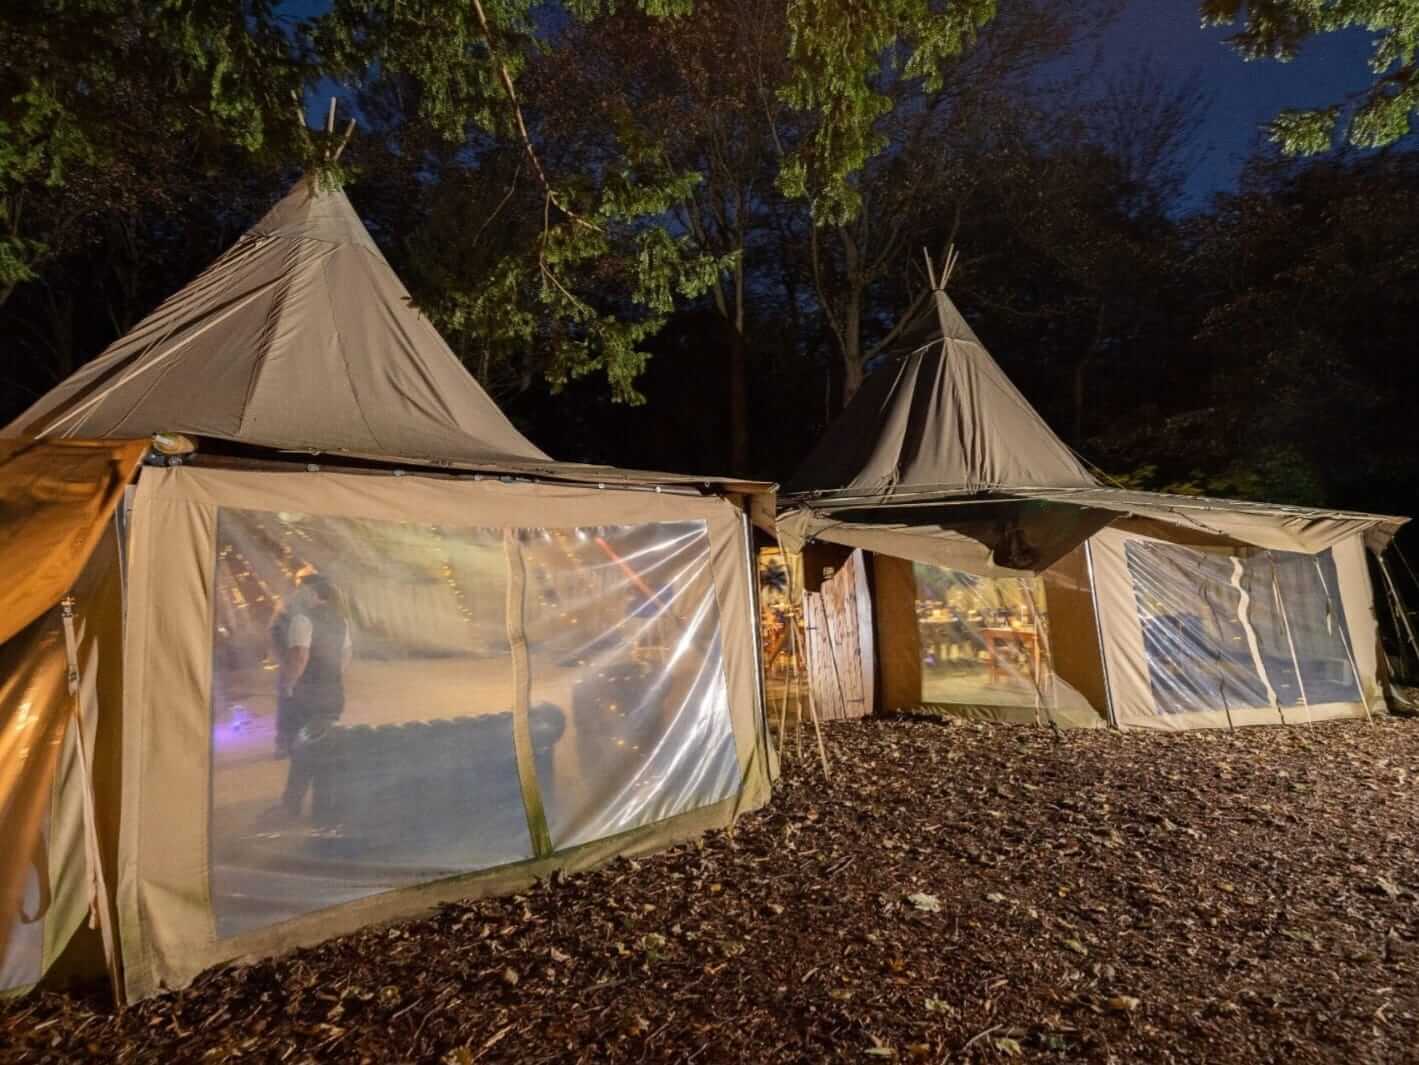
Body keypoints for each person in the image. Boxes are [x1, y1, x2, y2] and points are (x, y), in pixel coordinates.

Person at [279, 573, 352, 817]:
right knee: (322, 747)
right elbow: (345, 656)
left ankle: (292, 805)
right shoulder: (341, 620)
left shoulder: (302, 620)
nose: (296, 594)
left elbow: (300, 656)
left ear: (311, 592)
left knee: (302, 748)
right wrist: (330, 677)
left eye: (300, 589)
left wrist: (289, 684)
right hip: (333, 692)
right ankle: (320, 806)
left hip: (307, 694)